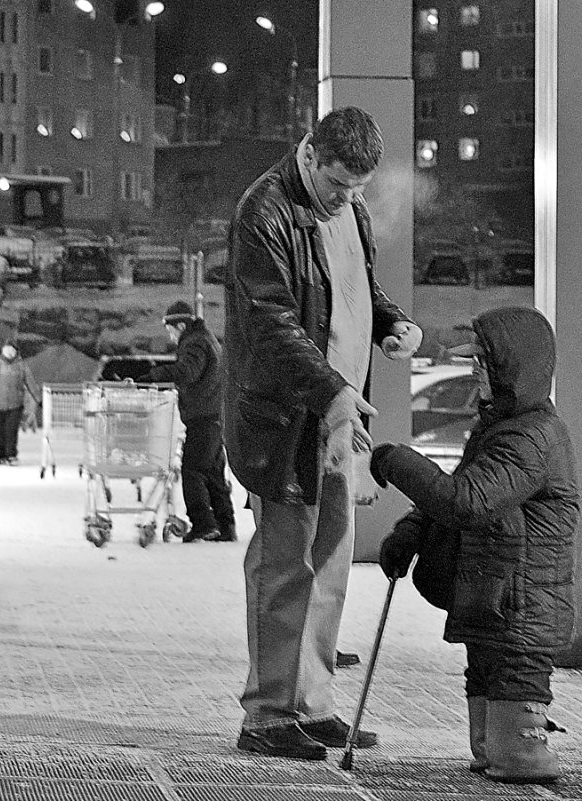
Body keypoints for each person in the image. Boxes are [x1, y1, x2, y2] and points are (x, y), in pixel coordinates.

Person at [224, 106, 422, 761]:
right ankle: (269, 715)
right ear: (309, 153)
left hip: (338, 423)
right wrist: (336, 391)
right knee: (285, 570)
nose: (347, 200)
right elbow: (273, 323)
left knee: (331, 567)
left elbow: (354, 288)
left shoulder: (349, 209)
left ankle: (312, 704)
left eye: (358, 190)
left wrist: (389, 322)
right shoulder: (265, 212)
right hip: (285, 423)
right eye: (338, 185)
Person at [370, 306, 578, 784]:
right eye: (475, 360)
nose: (476, 369)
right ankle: (503, 757)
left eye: (486, 361)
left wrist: (395, 460)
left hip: (522, 603)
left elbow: (467, 502)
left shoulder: (531, 437)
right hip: (495, 597)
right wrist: (412, 530)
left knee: (519, 757)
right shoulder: (498, 426)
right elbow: (469, 486)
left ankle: (524, 759)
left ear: (514, 367)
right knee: (491, 740)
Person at [138, 301, 236, 543]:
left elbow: (187, 372)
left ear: (181, 325)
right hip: (213, 415)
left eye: (171, 329)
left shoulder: (195, 343)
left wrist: (154, 376)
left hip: (204, 416)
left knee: (192, 470)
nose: (170, 336)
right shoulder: (204, 339)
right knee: (212, 473)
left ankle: (204, 523)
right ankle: (226, 525)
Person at [0, 337, 40, 466]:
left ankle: (11, 455)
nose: (10, 353)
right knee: (1, 431)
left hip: (15, 404)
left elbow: (31, 383)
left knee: (11, 430)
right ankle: (1, 454)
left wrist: (38, 398)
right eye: (7, 349)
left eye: (12, 350)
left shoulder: (21, 366)